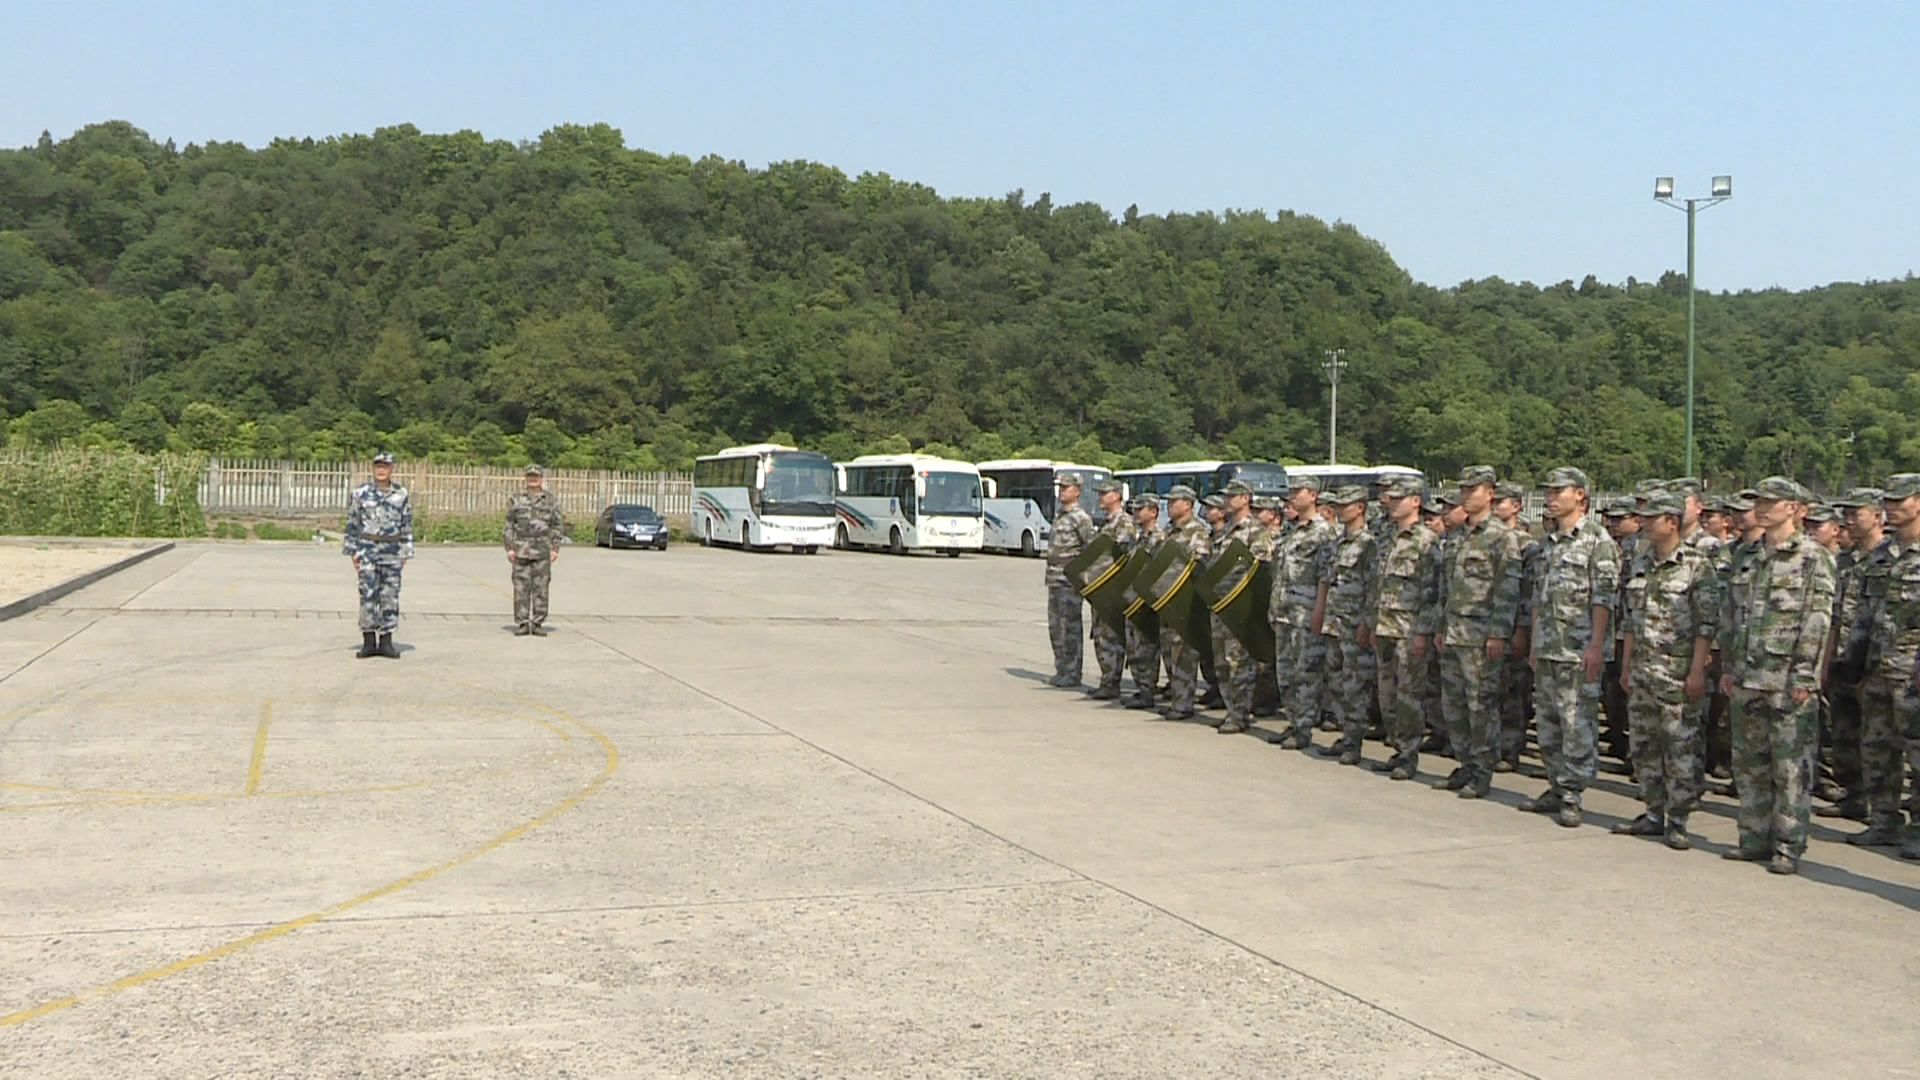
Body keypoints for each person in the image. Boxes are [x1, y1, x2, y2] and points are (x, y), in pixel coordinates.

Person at [1718, 476, 1837, 876]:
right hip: (1748, 675)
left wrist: (1805, 675)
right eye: (1759, 501)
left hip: (1787, 679)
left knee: (1790, 768)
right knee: (1749, 763)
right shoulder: (1747, 556)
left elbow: (1817, 620)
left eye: (1772, 501)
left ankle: (1788, 845)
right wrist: (1730, 667)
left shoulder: (1812, 557)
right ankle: (1753, 837)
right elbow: (1732, 617)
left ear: (1794, 508)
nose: (1762, 508)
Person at [1517, 468, 1620, 827]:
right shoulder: (1546, 545)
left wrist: (1595, 645)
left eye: (1558, 490)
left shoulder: (1597, 541)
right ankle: (1556, 786)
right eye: (1548, 490)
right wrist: (1533, 643)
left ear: (1580, 495)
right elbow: (1538, 599)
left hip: (1578, 650)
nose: (1550, 496)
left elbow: (1603, 599)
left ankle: (1573, 792)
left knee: (1576, 724)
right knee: (1548, 724)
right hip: (1548, 646)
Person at [1615, 493, 1718, 850]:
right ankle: (1654, 811)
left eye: (1651, 517)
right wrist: (1626, 666)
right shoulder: (1641, 561)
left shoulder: (1697, 565)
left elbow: (1707, 625)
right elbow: (1629, 621)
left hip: (1676, 673)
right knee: (1643, 746)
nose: (1642, 522)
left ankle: (1678, 820)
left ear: (1671, 522)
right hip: (1643, 671)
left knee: (1679, 749)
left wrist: (1696, 673)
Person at [1434, 467, 1524, 800]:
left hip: (1482, 635)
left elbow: (1507, 589)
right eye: (1463, 488)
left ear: (1490, 493)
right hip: (1454, 632)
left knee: (1480, 706)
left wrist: (1499, 634)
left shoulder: (1501, 537)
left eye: (1473, 489)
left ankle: (1483, 770)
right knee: (1454, 706)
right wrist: (1441, 627)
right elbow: (1448, 588)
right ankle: (1464, 763)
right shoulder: (1456, 536)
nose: (1465, 494)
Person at [1844, 474, 1920, 857]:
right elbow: (1863, 615)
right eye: (1887, 500)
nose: (1891, 507)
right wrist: (1854, 664)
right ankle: (1884, 821)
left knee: (1917, 752)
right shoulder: (1879, 556)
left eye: (1900, 500)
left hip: (1913, 673)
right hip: (1877, 668)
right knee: (1877, 748)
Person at [1817, 487, 1886, 821]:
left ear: (1877, 516)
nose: (1848, 520)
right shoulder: (1843, 561)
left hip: (1878, 664)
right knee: (1844, 734)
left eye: (1856, 513)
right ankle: (1854, 796)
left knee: (1880, 741)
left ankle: (1884, 809)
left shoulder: (1888, 558)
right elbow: (1834, 613)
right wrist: (1827, 660)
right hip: (1843, 659)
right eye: (1845, 514)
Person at [1367, 477, 1440, 779]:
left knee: (1409, 697)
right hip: (1384, 627)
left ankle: (1409, 756)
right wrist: (1371, 623)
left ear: (1415, 502)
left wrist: (1423, 632)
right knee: (1387, 695)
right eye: (1390, 498)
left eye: (1399, 498)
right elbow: (1377, 586)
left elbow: (1432, 592)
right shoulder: (1386, 538)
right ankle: (1398, 748)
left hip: (1409, 630)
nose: (1391, 503)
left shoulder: (1426, 540)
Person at [1313, 486, 1379, 763]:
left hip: (1354, 624)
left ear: (1360, 507)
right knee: (1337, 683)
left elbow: (1373, 588)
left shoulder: (1369, 543)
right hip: (1334, 622)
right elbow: (1327, 582)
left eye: (1346, 504)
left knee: (1356, 685)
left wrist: (1367, 623)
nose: (1340, 509)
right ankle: (1345, 734)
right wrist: (1320, 612)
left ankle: (1354, 743)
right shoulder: (1338, 543)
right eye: (1337, 504)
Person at [1270, 477, 1336, 750]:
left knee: (1305, 673)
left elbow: (1325, 576)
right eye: (1291, 492)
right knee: (1285, 673)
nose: (1292, 497)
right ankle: (1294, 720)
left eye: (1298, 492)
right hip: (1284, 611)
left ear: (1313, 495)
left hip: (1305, 612)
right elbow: (1280, 575)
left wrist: (1320, 610)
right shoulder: (1291, 531)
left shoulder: (1323, 532)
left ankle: (1305, 727)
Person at [343, 451, 414, 659]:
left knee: (390, 596)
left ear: (392, 469)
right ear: (373, 469)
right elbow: (352, 523)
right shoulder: (360, 493)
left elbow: (406, 525)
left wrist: (405, 553)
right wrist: (352, 552)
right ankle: (368, 641)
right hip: (367, 548)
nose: (381, 470)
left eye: (386, 466)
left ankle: (386, 641)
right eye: (378, 466)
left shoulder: (401, 494)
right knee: (367, 595)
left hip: (391, 551)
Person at [1492, 481, 1540, 772]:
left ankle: (1510, 749)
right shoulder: (1490, 539)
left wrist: (1522, 629)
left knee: (1513, 690)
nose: (1496, 506)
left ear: (1517, 506)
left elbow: (1528, 591)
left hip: (1514, 626)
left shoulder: (1527, 545)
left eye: (1502, 501)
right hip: (1491, 626)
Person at [1210, 480, 1263, 734]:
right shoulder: (1224, 532)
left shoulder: (1255, 532)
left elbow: (1261, 571)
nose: (1227, 500)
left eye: (1232, 496)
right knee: (1221, 662)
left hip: (1240, 608)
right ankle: (1231, 709)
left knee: (1239, 662)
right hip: (1219, 608)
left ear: (1246, 499)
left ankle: (1240, 713)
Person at [1158, 485, 1212, 720]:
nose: (1170, 505)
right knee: (1170, 652)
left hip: (1185, 601)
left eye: (1174, 501)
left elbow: (1197, 566)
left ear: (1188, 504)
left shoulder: (1197, 531)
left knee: (1183, 653)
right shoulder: (1169, 530)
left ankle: (1184, 704)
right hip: (1165, 600)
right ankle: (1177, 698)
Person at [1045, 472, 1097, 688]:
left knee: (1071, 628)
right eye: (1060, 488)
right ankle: (1062, 668)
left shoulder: (1081, 518)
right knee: (1056, 628)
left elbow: (1091, 549)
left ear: (1077, 491)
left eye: (1066, 488)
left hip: (1069, 582)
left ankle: (1073, 671)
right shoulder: (1060, 515)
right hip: (1054, 579)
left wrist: (1080, 576)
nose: (1061, 491)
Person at [1089, 480, 1139, 701]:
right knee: (1101, 635)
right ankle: (1106, 679)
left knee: (1111, 635)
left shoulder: (1124, 523)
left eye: (1104, 493)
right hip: (1100, 589)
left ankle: (1112, 682)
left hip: (1113, 590)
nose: (1100, 497)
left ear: (1117, 496)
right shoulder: (1107, 523)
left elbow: (1121, 556)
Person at [504, 464, 565, 636]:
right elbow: (509, 524)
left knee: (541, 587)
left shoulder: (550, 500)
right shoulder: (516, 499)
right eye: (530, 476)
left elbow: (557, 525)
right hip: (521, 549)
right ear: (526, 478)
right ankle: (522, 622)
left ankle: (538, 622)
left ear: (541, 479)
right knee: (520, 588)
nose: (533, 479)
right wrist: (509, 548)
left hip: (542, 550)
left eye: (536, 476)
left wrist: (555, 548)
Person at [1122, 494, 1166, 711]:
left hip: (1146, 602)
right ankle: (1141, 687)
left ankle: (1148, 689)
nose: (1137, 513)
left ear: (1154, 512)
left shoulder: (1159, 538)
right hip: (1132, 601)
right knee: (1135, 647)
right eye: (1135, 509)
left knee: (1147, 647)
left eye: (1142, 509)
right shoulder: (1139, 538)